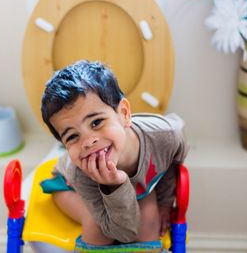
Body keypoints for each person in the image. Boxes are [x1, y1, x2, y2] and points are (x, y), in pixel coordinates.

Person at [40, 60, 188, 247]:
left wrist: (165, 201)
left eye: (96, 122)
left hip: (137, 186)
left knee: (149, 224)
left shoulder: (165, 136)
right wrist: (113, 184)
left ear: (124, 114)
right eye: (72, 136)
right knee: (98, 229)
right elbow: (122, 232)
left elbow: (173, 159)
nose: (87, 142)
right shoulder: (81, 171)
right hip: (70, 187)